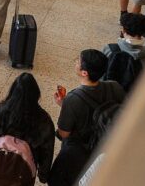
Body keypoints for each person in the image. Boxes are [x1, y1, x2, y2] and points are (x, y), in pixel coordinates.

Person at [50, 49, 126, 186]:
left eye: (78, 61)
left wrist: (64, 105)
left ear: (84, 73)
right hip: (107, 148)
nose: (75, 62)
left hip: (80, 155)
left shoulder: (73, 99)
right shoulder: (115, 87)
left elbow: (64, 133)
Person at [0, 73, 55, 184]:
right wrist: (43, 175)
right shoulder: (44, 120)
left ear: (13, 91)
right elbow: (47, 151)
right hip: (22, 175)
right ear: (36, 94)